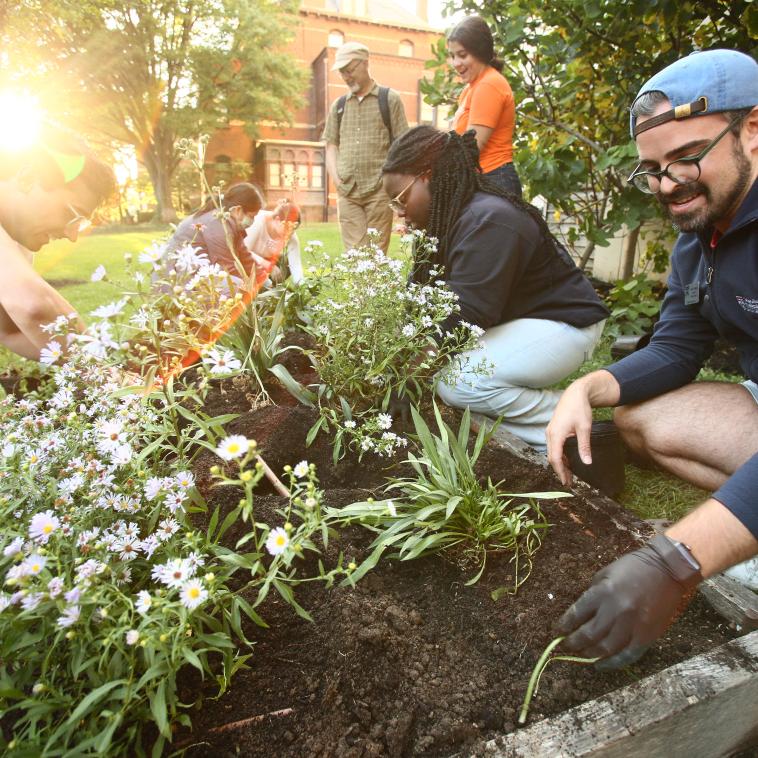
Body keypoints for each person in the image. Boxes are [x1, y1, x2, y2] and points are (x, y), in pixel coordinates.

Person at [546, 49, 758, 668]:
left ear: (751, 129)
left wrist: (677, 558)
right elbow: (676, 346)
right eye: (652, 169)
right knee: (640, 421)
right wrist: (585, 389)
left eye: (686, 158)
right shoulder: (705, 234)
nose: (668, 185)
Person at [381, 126, 608, 448]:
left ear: (428, 175)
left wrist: (405, 379)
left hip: (564, 327)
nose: (399, 212)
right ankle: (543, 433)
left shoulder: (490, 219)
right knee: (450, 379)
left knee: (457, 383)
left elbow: (464, 316)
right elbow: (423, 304)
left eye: (399, 199)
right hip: (517, 323)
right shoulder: (449, 219)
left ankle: (566, 415)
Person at [0, 128, 115, 359]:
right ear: (27, 178)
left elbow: (10, 331)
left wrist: (104, 369)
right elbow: (33, 307)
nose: (71, 235)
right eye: (71, 213)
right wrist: (104, 372)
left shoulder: (17, 247)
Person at [323, 41, 409, 252]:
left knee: (376, 255)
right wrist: (335, 177)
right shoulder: (339, 106)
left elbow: (404, 146)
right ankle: (359, 286)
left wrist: (399, 190)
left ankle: (374, 286)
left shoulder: (389, 99)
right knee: (354, 256)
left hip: (379, 190)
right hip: (347, 190)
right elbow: (331, 145)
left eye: (350, 69)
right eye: (342, 72)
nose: (346, 76)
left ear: (365, 63)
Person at [448, 15, 522, 198]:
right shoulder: (471, 88)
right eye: (452, 56)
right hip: (482, 181)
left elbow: (470, 148)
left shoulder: (488, 84)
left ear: (480, 51)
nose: (456, 63)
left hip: (494, 181)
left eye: (462, 55)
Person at [165, 182, 264, 281]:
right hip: (179, 278)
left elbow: (245, 258)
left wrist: (263, 278)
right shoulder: (218, 224)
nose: (252, 221)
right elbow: (227, 268)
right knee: (236, 284)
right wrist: (250, 287)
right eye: (251, 216)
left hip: (198, 273)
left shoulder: (231, 223)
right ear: (238, 210)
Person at [244, 199, 303, 285]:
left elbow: (296, 266)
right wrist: (268, 266)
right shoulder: (258, 221)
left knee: (284, 261)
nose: (290, 233)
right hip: (245, 261)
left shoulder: (290, 234)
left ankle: (270, 287)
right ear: (277, 219)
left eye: (293, 229)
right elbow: (243, 252)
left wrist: (303, 288)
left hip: (264, 262)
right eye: (287, 228)